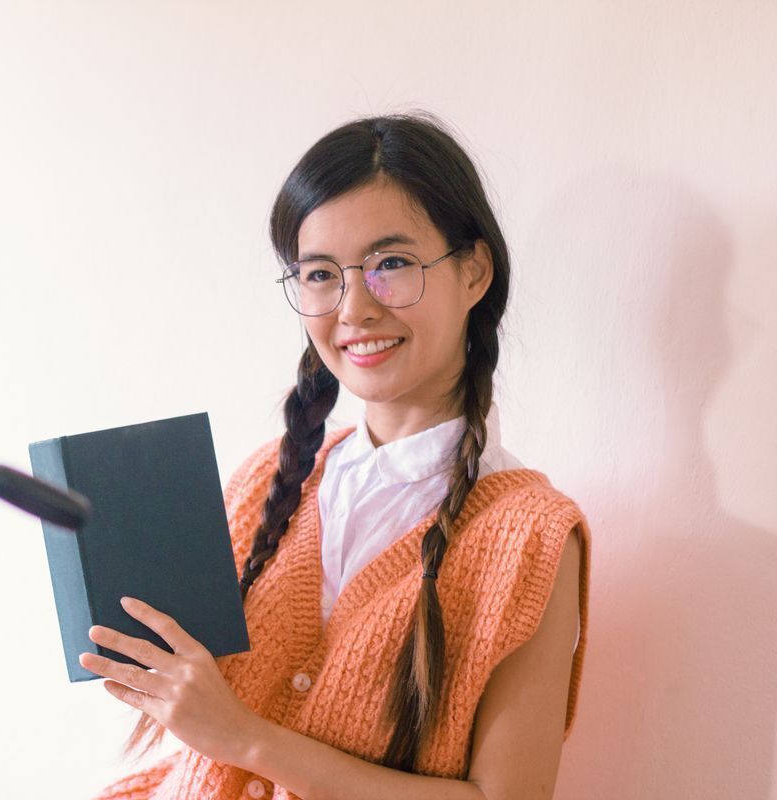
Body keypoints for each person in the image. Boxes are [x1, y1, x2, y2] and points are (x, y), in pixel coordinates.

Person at [78, 114, 591, 800]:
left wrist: (244, 737)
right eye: (321, 274)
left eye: (392, 264)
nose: (353, 309)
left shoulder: (530, 537)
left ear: (474, 271)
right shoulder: (265, 483)